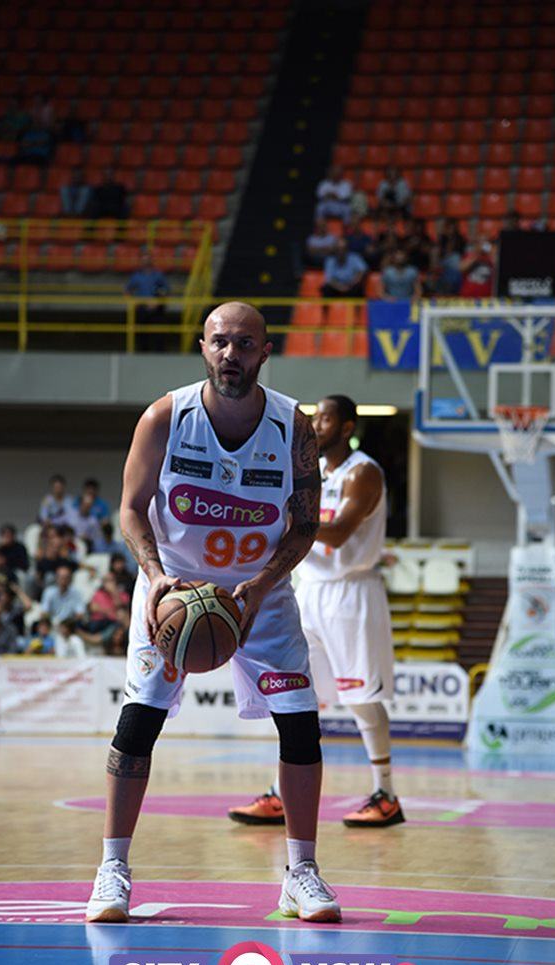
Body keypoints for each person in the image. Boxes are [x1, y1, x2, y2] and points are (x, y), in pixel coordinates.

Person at [86, 300, 341, 925]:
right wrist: (155, 578)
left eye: (245, 343)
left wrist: (261, 584)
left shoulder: (292, 426)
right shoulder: (165, 417)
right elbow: (131, 508)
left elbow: (305, 524)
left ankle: (301, 873)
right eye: (220, 342)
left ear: (265, 351)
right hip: (173, 591)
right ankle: (112, 868)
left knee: (301, 728)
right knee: (138, 724)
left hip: (261, 595)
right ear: (203, 348)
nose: (231, 354)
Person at [229, 396, 405, 831]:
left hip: (351, 594)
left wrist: (284, 521)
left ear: (346, 427)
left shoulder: (362, 472)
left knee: (361, 699)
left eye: (325, 419)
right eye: (314, 418)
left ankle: (386, 795)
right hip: (309, 591)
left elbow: (340, 533)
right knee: (296, 695)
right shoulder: (311, 472)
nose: (316, 425)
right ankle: (280, 793)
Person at [125, 254, 168, 351]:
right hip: (141, 308)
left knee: (158, 333)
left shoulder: (158, 275)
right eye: (143, 260)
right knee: (141, 334)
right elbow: (128, 291)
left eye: (147, 260)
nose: (145, 262)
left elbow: (165, 290)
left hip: (156, 308)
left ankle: (159, 352)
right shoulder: (136, 276)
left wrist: (157, 301)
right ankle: (142, 352)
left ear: (151, 261)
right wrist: (135, 302)